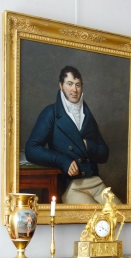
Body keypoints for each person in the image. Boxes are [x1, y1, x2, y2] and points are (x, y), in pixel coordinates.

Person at [25, 66, 120, 204]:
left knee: (122, 216)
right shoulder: (51, 112)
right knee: (99, 221)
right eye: (69, 84)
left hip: (96, 183)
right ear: (61, 86)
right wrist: (63, 160)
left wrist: (88, 146)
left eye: (77, 85)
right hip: (71, 186)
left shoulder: (87, 115)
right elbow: (31, 149)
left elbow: (104, 153)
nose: (74, 90)